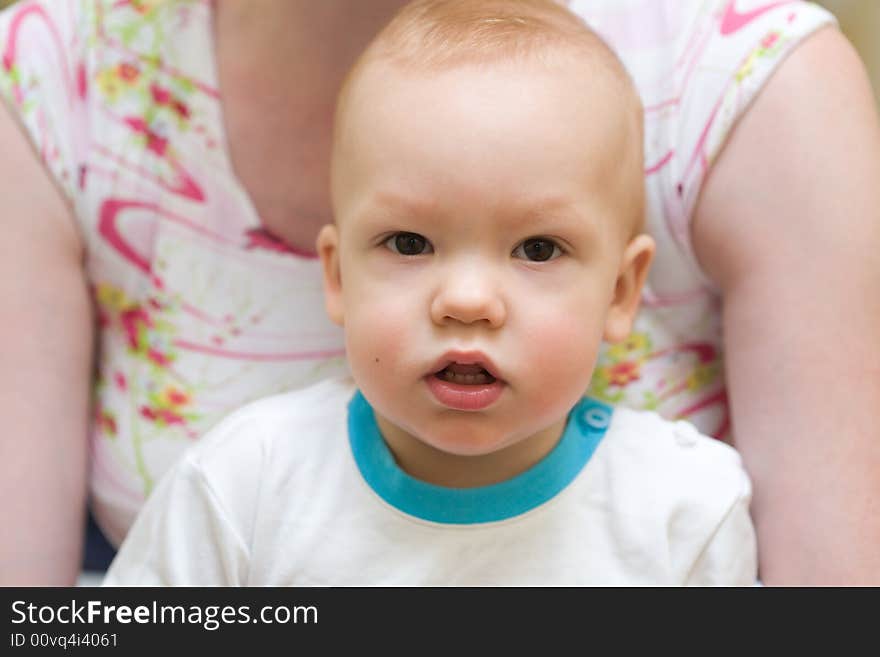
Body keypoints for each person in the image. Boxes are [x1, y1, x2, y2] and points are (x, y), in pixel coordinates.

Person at [0, 0, 876, 585]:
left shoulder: (682, 507)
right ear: (334, 273)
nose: (466, 299)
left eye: (538, 248)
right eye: (409, 243)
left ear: (623, 289)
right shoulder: (247, 480)